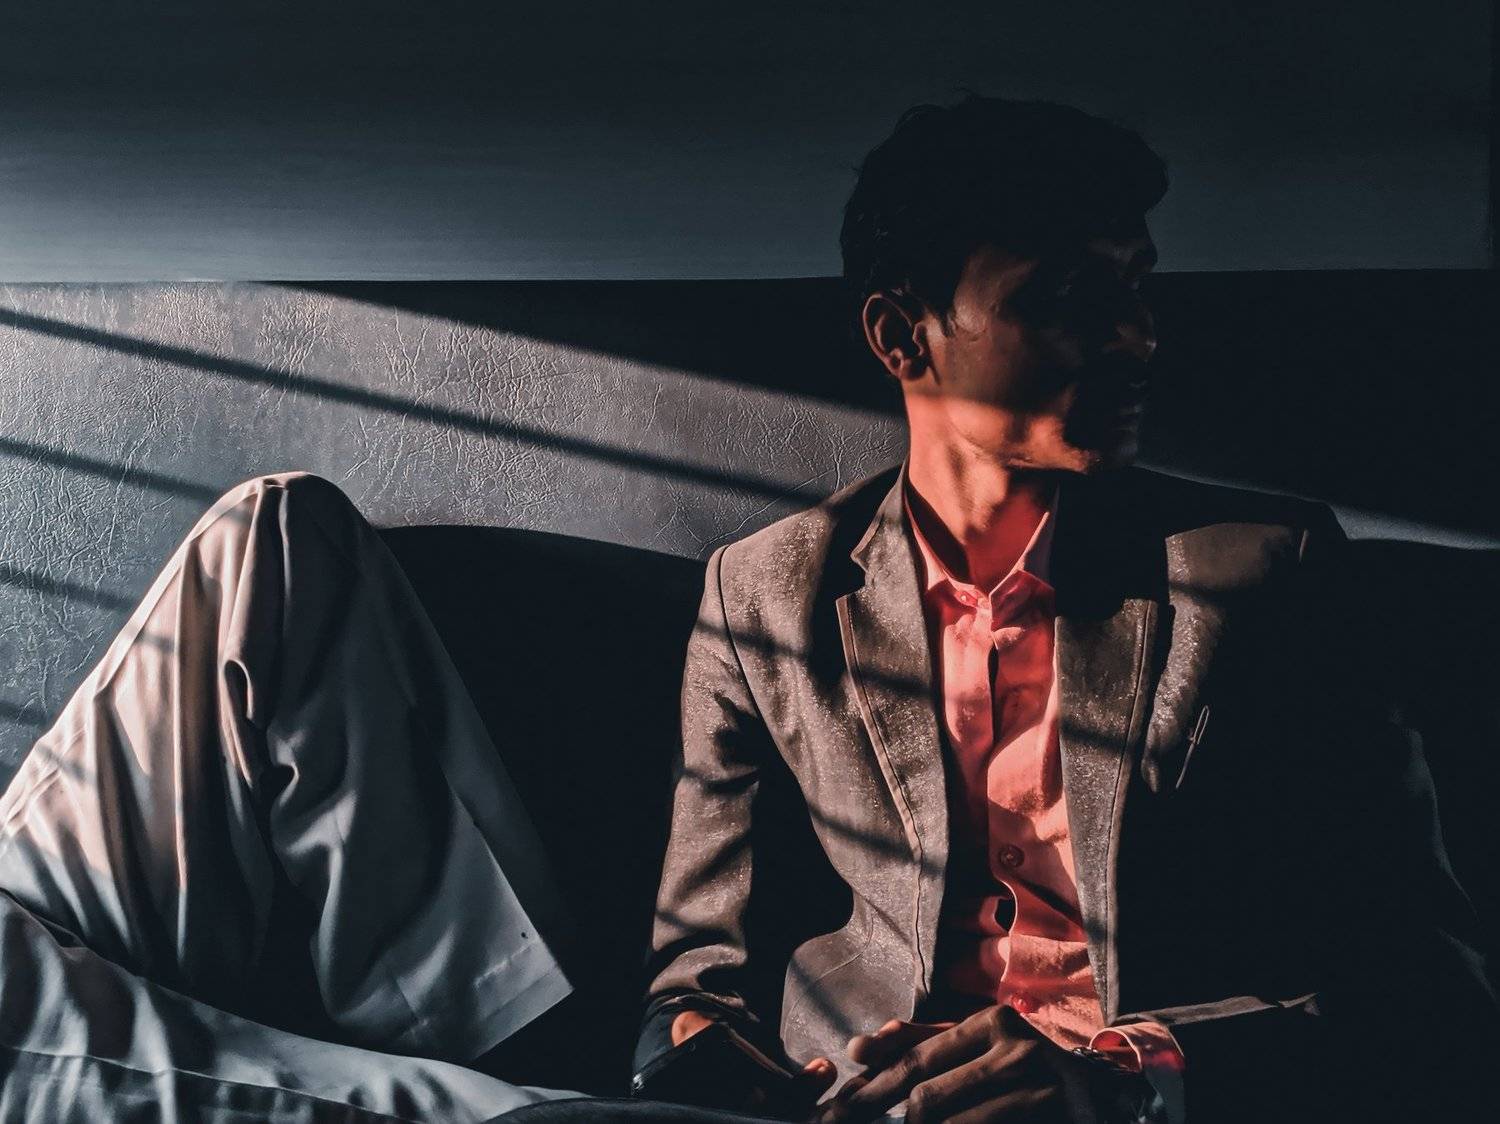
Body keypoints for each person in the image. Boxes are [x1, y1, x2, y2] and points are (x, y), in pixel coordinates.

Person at [634, 96, 1498, 1123]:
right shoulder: (763, 593)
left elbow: (1429, 985)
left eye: (1136, 287)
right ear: (902, 335)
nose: (1135, 338)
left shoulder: (1269, 575)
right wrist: (703, 1049)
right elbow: (693, 977)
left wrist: (1133, 1078)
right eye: (1064, 297)